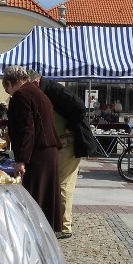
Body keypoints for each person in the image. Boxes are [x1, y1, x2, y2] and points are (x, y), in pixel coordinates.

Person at [31, 71, 96, 238]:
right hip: (64, 142)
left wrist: (71, 128)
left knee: (63, 183)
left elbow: (80, 107)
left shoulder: (53, 90)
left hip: (68, 142)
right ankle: (62, 223)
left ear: (36, 83)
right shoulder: (48, 89)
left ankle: (64, 227)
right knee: (63, 183)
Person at [2, 66, 62, 230]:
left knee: (34, 199)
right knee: (46, 199)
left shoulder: (21, 95)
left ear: (9, 83)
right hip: (49, 150)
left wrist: (21, 160)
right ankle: (44, 235)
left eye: (8, 90)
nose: (10, 95)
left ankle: (34, 236)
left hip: (38, 153)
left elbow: (26, 129)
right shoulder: (38, 93)